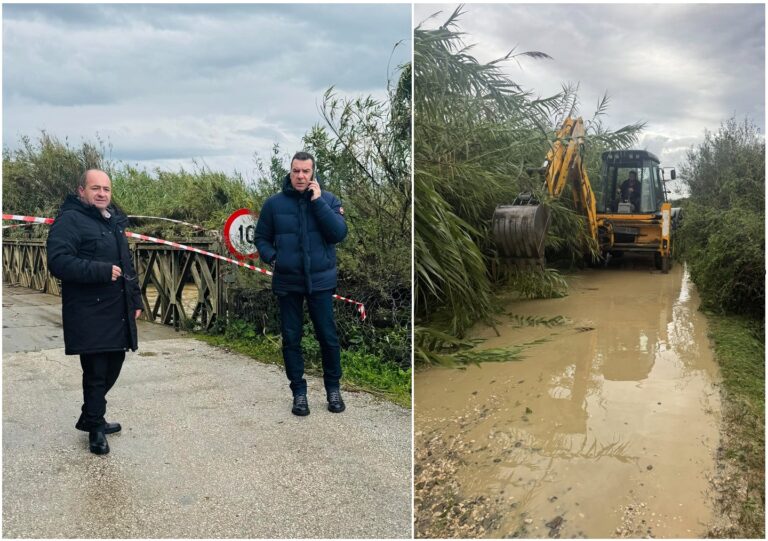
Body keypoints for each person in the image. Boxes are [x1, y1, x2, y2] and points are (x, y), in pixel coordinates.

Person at [47, 169, 143, 455]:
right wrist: (100, 271)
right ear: (81, 191)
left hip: (116, 308)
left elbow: (126, 263)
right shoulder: (70, 220)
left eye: (106, 189)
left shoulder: (113, 220)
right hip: (89, 310)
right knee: (96, 371)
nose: (102, 193)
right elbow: (58, 262)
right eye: (95, 188)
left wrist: (136, 299)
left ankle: (91, 416)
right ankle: (96, 429)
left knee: (114, 364)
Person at [255, 151, 348, 416]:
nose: (300, 176)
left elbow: (338, 233)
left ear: (313, 173)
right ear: (290, 171)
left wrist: (318, 203)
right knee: (292, 339)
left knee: (327, 337)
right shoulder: (273, 204)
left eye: (306, 171)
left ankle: (333, 389)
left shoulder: (329, 200)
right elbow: (261, 238)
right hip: (288, 281)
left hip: (321, 281)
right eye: (296, 171)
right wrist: (274, 259)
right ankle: (299, 393)